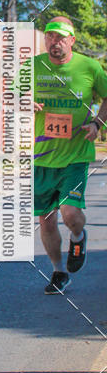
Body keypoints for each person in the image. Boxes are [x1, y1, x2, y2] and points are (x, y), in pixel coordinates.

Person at [33, 16, 107, 294]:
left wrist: (97, 123)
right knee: (46, 219)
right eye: (50, 36)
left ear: (72, 40)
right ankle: (58, 271)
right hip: (41, 156)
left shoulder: (89, 67)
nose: (55, 41)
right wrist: (23, 100)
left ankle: (78, 235)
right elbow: (13, 94)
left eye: (61, 36)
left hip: (75, 155)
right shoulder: (33, 66)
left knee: (70, 214)